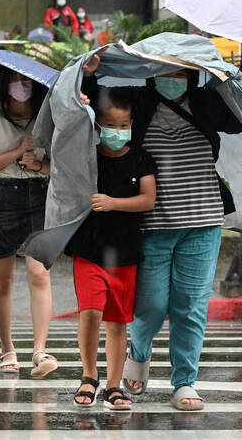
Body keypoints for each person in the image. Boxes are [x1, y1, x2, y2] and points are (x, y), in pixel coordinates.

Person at [81, 51, 242, 411]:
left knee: (189, 304)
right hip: (152, 223)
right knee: (150, 304)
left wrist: (225, 73)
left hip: (202, 219)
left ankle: (184, 381)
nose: (173, 77)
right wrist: (89, 76)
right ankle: (139, 351)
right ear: (152, 72)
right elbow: (97, 106)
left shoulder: (205, 100)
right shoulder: (139, 100)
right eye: (165, 70)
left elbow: (239, 119)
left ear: (191, 74)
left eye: (181, 72)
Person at [65, 90, 157, 410]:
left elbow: (148, 199)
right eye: (109, 124)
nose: (116, 131)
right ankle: (89, 375)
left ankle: (114, 385)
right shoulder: (86, 156)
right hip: (88, 249)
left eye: (122, 125)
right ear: (97, 126)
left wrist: (113, 203)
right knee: (90, 312)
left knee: (117, 322)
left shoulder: (141, 158)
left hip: (125, 253)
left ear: (131, 124)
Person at [0, 67, 57, 377]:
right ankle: (7, 348)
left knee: (39, 273)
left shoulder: (47, 115)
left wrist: (38, 163)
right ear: (4, 84)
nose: (22, 86)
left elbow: (58, 167)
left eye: (27, 80)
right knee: (3, 279)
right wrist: (16, 152)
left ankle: (40, 350)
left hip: (39, 196)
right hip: (1, 197)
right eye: (16, 81)